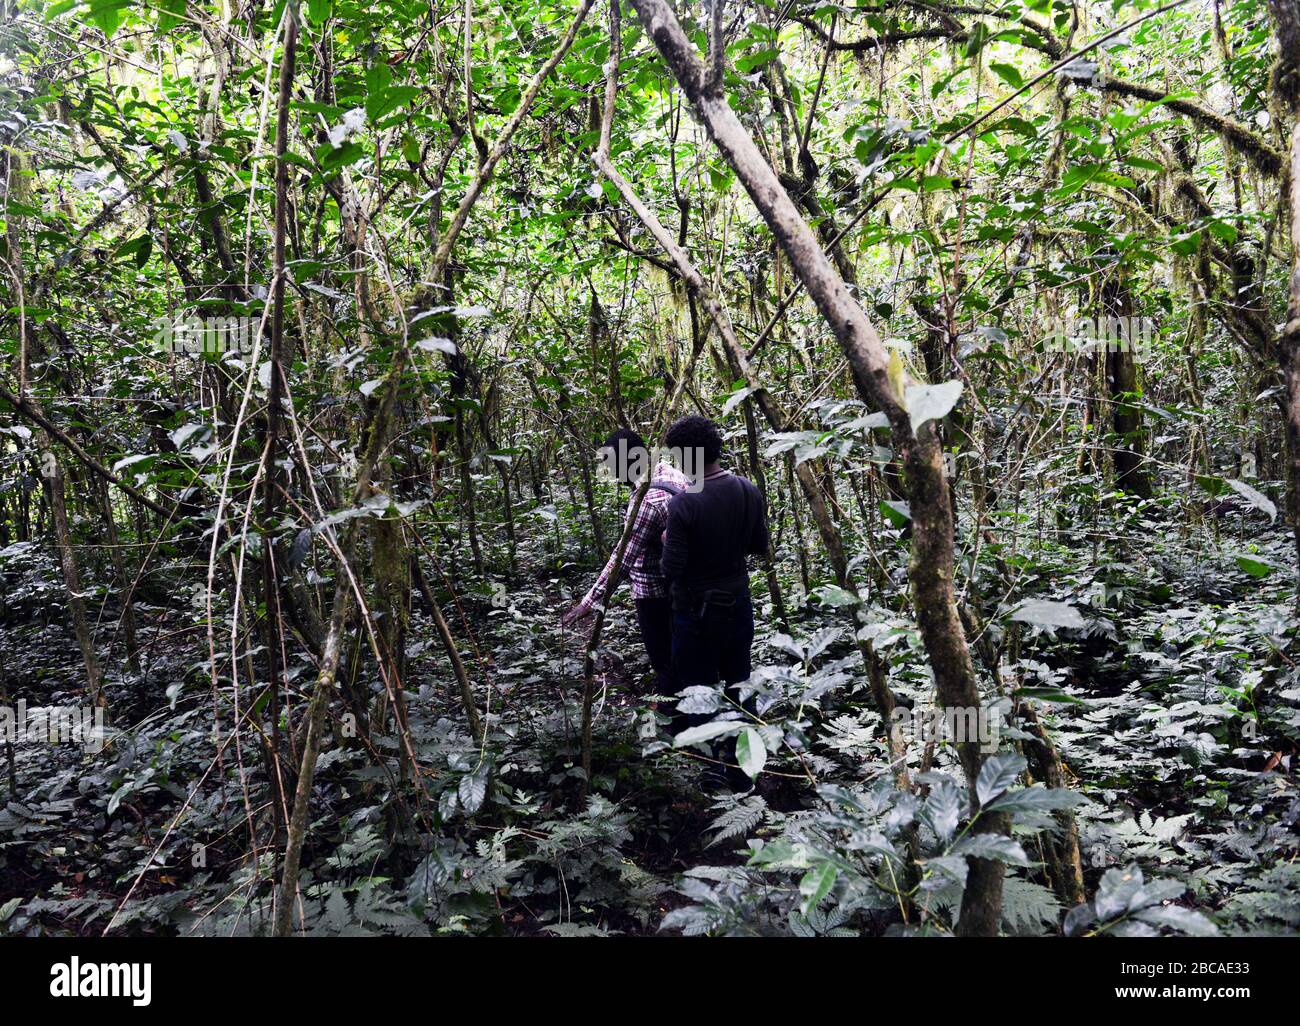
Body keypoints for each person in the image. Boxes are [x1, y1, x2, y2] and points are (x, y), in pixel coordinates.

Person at [560, 429, 692, 701]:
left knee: (665, 661)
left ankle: (675, 722)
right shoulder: (670, 473)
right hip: (686, 585)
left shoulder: (647, 501)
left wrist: (587, 604)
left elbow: (622, 559)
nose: (611, 473)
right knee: (684, 653)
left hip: (654, 592)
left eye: (612, 466)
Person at [660, 416, 768, 735]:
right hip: (737, 605)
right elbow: (759, 545)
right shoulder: (748, 489)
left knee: (698, 694)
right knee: (739, 686)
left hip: (696, 615)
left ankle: (713, 771)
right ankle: (743, 766)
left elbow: (671, 569)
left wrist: (669, 541)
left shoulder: (682, 504)